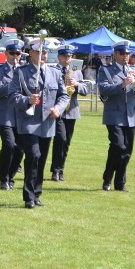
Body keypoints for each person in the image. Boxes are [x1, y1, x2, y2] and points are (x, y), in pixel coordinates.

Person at [9, 38, 68, 209]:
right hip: (28, 122)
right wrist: (28, 99)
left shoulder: (55, 73)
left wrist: (59, 108)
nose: (43, 55)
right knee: (33, 155)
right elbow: (13, 96)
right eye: (39, 52)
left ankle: (37, 193)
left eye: (46, 52)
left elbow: (63, 95)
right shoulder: (21, 72)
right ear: (31, 53)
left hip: (47, 122)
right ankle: (28, 196)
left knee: (41, 159)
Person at [97, 40, 135, 192]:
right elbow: (103, 89)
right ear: (115, 54)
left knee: (127, 151)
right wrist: (122, 85)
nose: (125, 56)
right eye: (122, 53)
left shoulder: (134, 69)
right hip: (114, 115)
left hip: (131, 116)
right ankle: (108, 178)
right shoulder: (106, 70)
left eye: (127, 53)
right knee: (118, 146)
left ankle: (120, 183)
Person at [49, 44, 89, 182]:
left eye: (70, 56)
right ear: (59, 57)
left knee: (66, 142)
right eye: (65, 56)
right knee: (61, 138)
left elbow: (85, 89)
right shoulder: (53, 70)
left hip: (71, 110)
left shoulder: (76, 71)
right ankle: (55, 169)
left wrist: (76, 84)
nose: (67, 58)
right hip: (58, 109)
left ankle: (60, 169)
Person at [0, 39, 24, 190]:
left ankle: (11, 176)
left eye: (17, 53)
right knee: (9, 145)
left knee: (20, 148)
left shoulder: (25, 70)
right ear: (6, 53)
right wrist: (11, 85)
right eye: (11, 53)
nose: (14, 56)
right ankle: (3, 178)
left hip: (22, 114)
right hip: (5, 115)